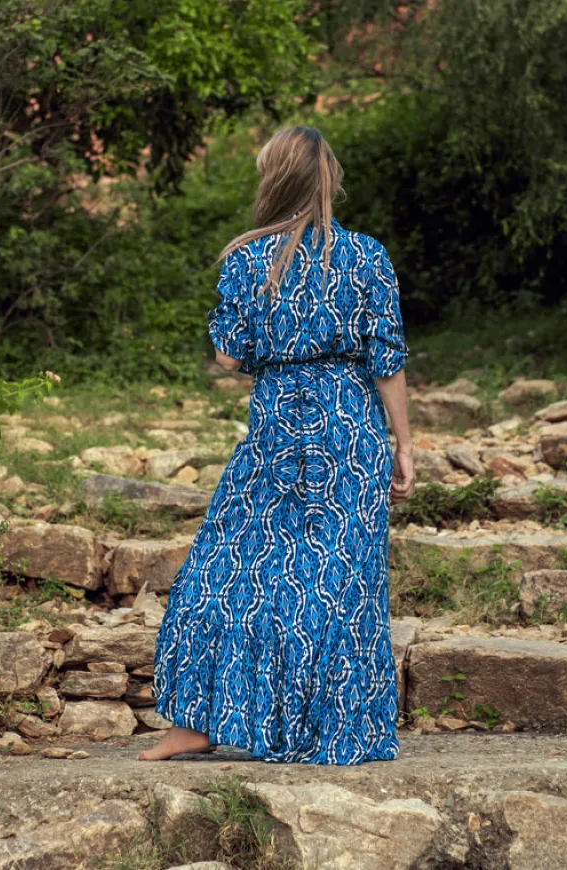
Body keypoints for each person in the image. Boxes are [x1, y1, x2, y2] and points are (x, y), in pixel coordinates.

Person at [137, 125, 415, 765]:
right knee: (340, 580)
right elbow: (388, 360)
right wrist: (405, 444)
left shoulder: (246, 259)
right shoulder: (368, 255)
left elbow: (229, 357)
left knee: (229, 565)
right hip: (351, 428)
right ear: (327, 182)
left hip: (277, 430)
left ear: (274, 180)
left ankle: (196, 722)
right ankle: (332, 731)